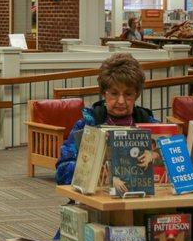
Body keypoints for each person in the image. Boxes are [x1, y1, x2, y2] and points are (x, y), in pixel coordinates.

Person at [55, 53, 158, 187]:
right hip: (96, 200)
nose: (121, 101)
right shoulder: (88, 124)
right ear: (104, 93)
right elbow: (61, 171)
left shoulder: (149, 122)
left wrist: (155, 156)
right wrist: (92, 171)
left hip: (142, 200)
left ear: (136, 94)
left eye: (128, 94)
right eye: (114, 94)